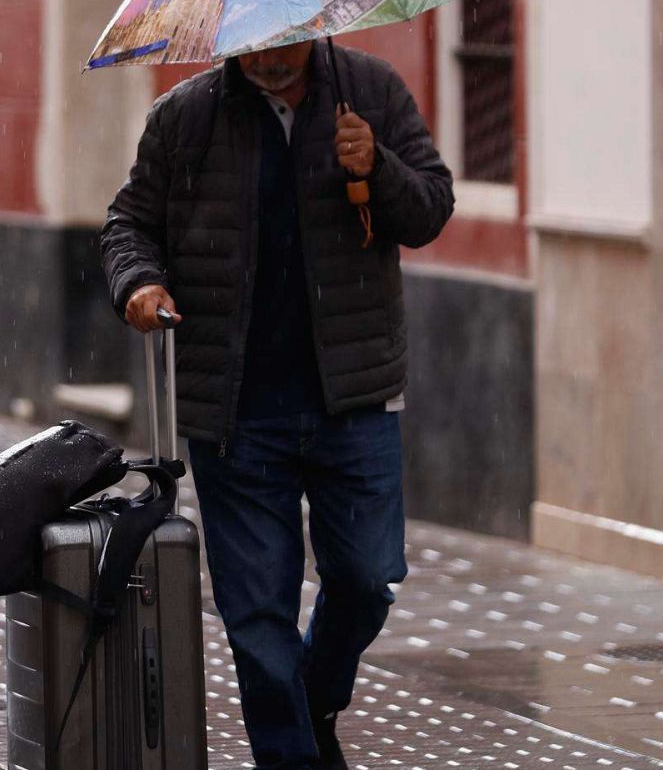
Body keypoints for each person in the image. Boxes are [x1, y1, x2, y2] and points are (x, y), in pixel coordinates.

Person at [101, 40, 453, 769]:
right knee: (257, 617)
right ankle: (291, 753)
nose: (267, 57)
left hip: (352, 398)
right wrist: (138, 284)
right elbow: (129, 223)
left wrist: (375, 167)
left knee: (366, 578)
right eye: (252, 44)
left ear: (312, 24)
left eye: (283, 39)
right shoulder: (185, 116)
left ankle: (315, 698)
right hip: (235, 411)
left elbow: (429, 209)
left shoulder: (371, 91)